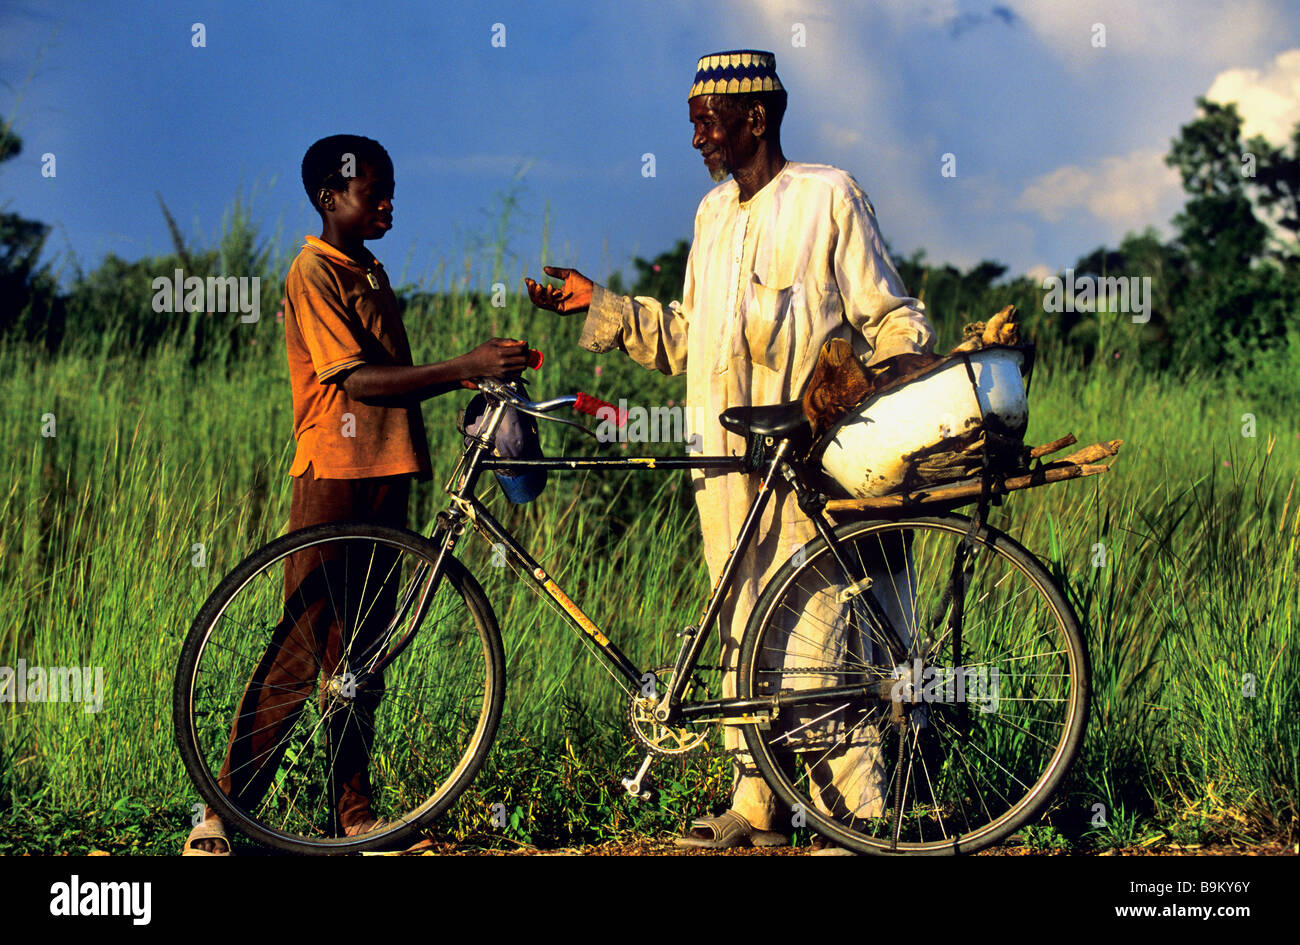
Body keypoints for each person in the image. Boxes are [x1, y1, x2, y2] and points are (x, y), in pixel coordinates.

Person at [526, 51, 937, 850]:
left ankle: (855, 811)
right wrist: (599, 305)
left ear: (758, 117)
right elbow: (688, 336)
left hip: (808, 462)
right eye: (691, 124)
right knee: (740, 626)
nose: (696, 139)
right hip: (723, 466)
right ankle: (758, 806)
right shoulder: (713, 215)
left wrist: (854, 383)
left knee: (820, 628)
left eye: (707, 122)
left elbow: (897, 322)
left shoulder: (828, 197)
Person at [183, 134, 529, 855]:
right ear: (329, 199)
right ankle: (220, 811)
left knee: (360, 658)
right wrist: (462, 362)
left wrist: (469, 375)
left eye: (388, 189)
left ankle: (354, 816)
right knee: (302, 647)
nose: (387, 203)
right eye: (374, 192)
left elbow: (386, 374)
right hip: (335, 477)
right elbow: (357, 380)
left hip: (388, 474)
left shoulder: (367, 269)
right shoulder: (313, 272)